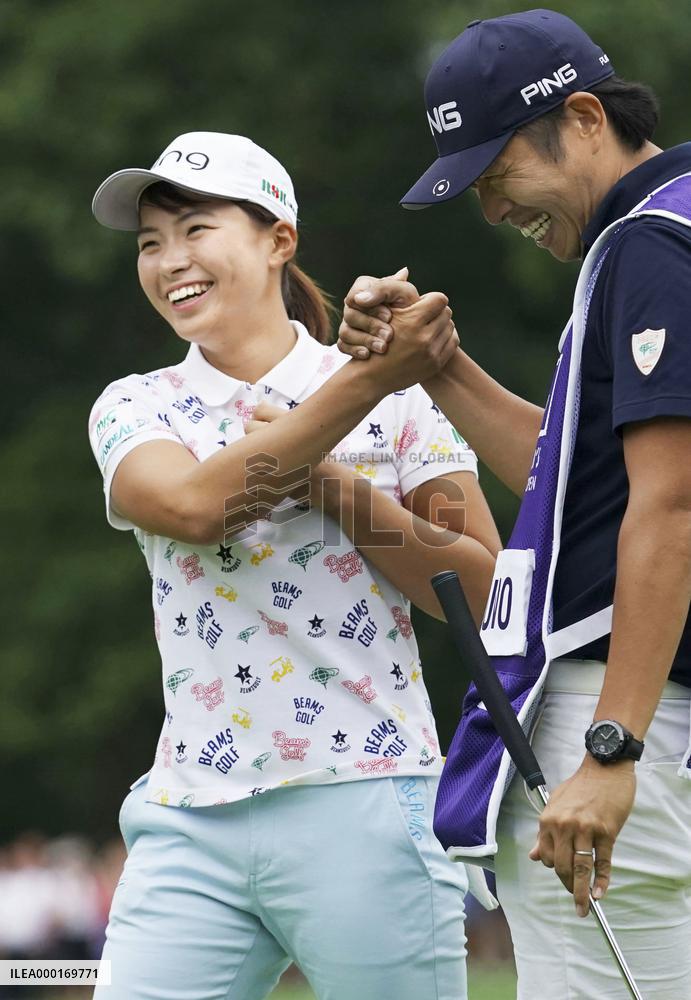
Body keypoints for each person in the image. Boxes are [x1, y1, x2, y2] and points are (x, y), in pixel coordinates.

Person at [87, 131, 501, 1000]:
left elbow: (480, 593)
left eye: (195, 228)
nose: (170, 261)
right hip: (189, 815)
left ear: (280, 238)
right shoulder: (136, 405)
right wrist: (367, 381)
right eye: (150, 244)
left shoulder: (406, 407)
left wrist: (347, 494)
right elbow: (195, 508)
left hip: (366, 796)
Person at [337, 10, 691, 999]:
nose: (493, 210)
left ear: (582, 119)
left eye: (498, 177)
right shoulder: (671, 223)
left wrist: (609, 747)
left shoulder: (647, 244)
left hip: (630, 715)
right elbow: (575, 473)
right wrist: (436, 364)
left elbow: (670, 509)